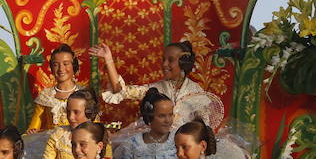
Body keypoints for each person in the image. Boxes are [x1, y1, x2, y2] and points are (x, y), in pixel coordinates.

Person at [93, 41, 224, 130]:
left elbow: (203, 125)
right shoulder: (156, 89)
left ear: (183, 63)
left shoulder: (195, 91)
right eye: (163, 60)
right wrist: (108, 59)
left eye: (170, 60)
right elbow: (120, 90)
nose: (164, 64)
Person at [38, 88, 112, 159]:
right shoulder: (58, 135)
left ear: (89, 112)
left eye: (76, 112)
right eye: (68, 112)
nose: (71, 117)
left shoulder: (99, 134)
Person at [27, 43, 85, 133]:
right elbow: (33, 128)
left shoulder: (85, 94)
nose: (61, 69)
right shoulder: (46, 96)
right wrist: (32, 133)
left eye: (65, 64)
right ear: (52, 68)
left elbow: (94, 126)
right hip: (52, 145)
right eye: (56, 65)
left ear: (74, 66)